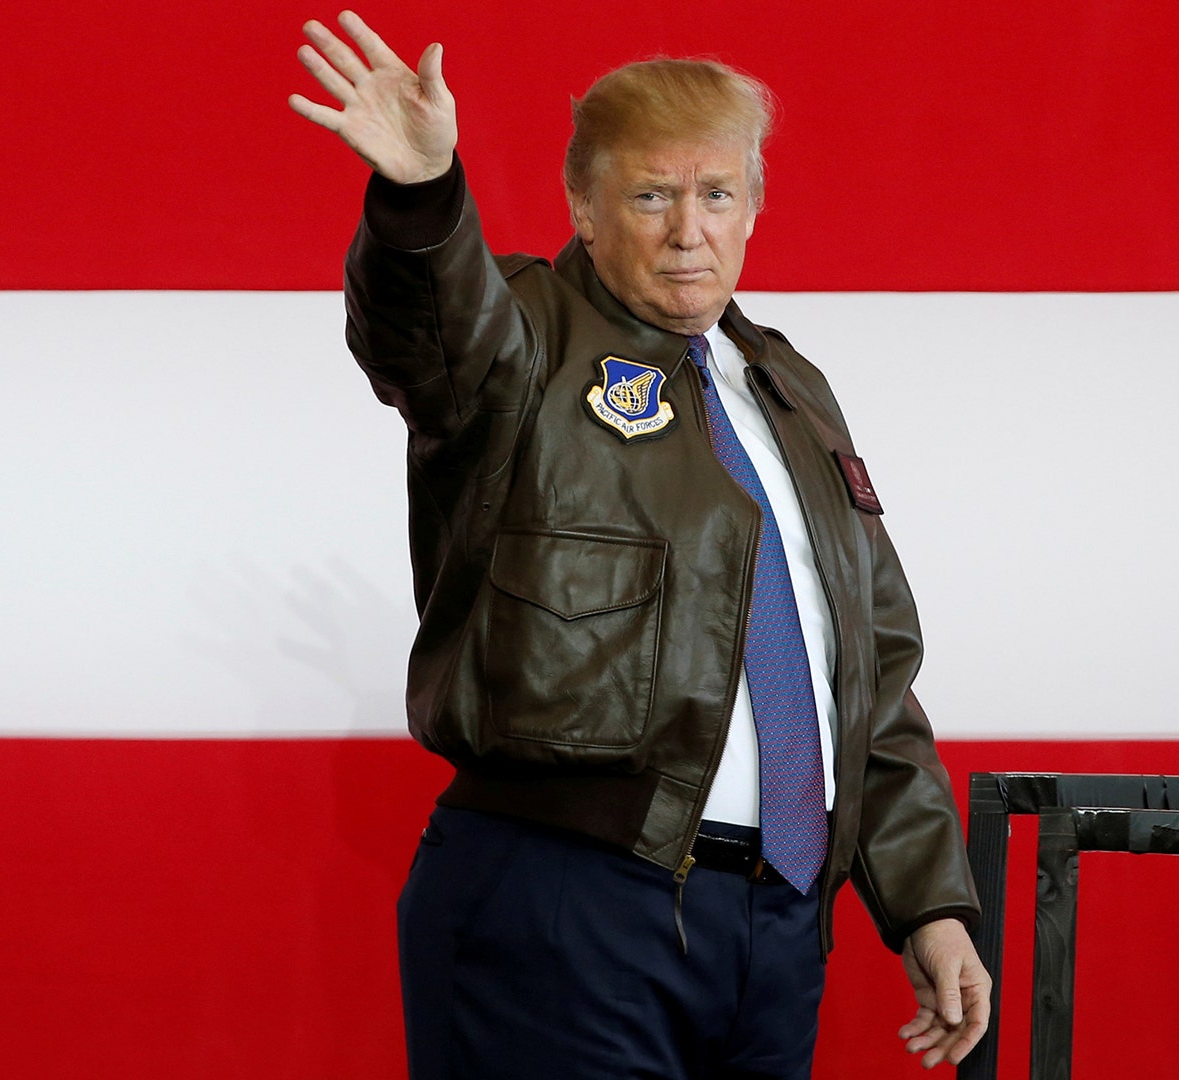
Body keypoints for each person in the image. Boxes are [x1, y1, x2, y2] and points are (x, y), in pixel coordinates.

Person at [290, 12, 991, 1078]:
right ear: (583, 202)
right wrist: (424, 198)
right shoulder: (521, 337)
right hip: (565, 902)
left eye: (716, 194)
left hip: (776, 929)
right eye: (651, 194)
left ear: (754, 205)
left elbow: (870, 679)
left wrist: (928, 904)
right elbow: (426, 330)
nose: (687, 231)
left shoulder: (790, 393)